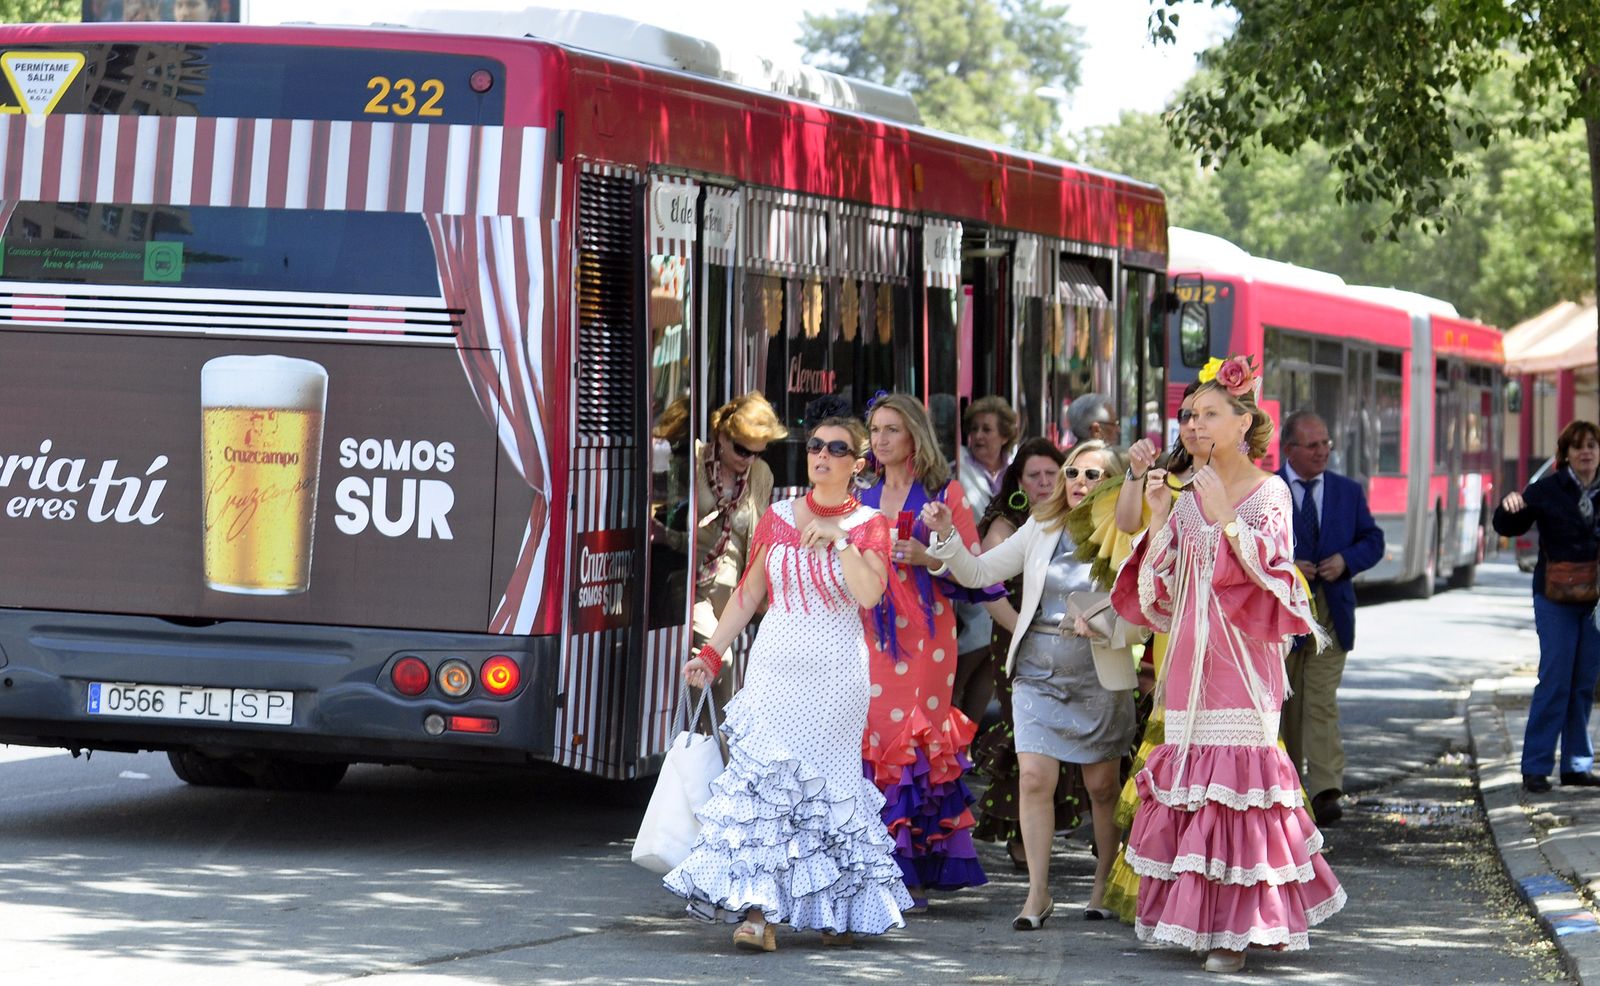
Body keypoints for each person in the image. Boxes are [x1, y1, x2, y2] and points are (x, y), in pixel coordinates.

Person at [1110, 356, 1344, 973]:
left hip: (1244, 662)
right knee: (1196, 788)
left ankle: (1235, 934)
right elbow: (1160, 593)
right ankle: (1201, 921)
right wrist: (1160, 516)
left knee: (1239, 790)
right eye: (1190, 415)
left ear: (1243, 424)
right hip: (1190, 660)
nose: (1194, 424)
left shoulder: (1270, 492)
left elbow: (1278, 579)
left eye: (1209, 414)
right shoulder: (1187, 496)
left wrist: (1228, 521)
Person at [664, 396, 913, 951]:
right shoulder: (777, 516)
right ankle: (759, 915)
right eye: (816, 446)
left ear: (858, 463)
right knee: (766, 789)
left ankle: (835, 906)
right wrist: (711, 654)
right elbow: (749, 592)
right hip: (774, 670)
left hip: (836, 677)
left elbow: (869, 594)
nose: (822, 455)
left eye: (837, 449)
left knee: (828, 789)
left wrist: (841, 540)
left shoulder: (870, 524)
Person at [925, 439, 1136, 929]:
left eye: (1093, 475)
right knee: (1035, 778)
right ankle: (1037, 894)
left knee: (1102, 786)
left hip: (1099, 673)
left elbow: (1144, 603)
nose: (1079, 482)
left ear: (1113, 481)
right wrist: (947, 537)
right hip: (1037, 669)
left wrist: (1108, 625)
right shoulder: (1041, 525)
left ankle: (1102, 883)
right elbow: (980, 573)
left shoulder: (1128, 531)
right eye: (1073, 472)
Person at [859, 392, 996, 907]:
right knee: (871, 736)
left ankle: (911, 864)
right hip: (867, 632)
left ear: (915, 435)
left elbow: (974, 571)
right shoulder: (860, 495)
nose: (880, 440)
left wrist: (929, 556)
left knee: (913, 737)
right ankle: (869, 860)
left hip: (927, 638)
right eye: (875, 430)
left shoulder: (944, 494)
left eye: (891, 429)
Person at [965, 438, 1085, 871]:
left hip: (1074, 641)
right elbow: (987, 585)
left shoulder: (1079, 514)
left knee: (1072, 727)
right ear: (1018, 481)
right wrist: (1024, 629)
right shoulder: (1008, 521)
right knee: (1026, 734)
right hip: (1016, 638)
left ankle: (1065, 822)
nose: (1044, 482)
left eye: (1053, 474)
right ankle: (1021, 836)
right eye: (1034, 475)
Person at [1277, 410, 1385, 824]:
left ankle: (1325, 791)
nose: (1322, 451)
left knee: (1320, 700)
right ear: (1289, 449)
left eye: (1326, 443)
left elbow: (1373, 540)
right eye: (1313, 445)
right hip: (1284, 614)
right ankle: (1287, 789)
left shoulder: (1347, 491)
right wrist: (1287, 567)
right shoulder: (1268, 491)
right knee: (1286, 703)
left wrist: (1346, 560)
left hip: (1331, 610)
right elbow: (1248, 546)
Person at [651, 393, 788, 713]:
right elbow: (670, 516)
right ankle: (717, 737)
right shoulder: (693, 462)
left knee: (712, 668)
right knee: (720, 660)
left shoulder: (761, 474)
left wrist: (763, 591)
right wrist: (667, 536)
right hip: (690, 580)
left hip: (733, 587)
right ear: (723, 435)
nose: (749, 459)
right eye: (742, 449)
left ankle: (698, 734)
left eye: (757, 452)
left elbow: (758, 536)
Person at [1493, 419, 1600, 793]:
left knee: (1584, 681)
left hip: (1595, 600)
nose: (1585, 452)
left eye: (1591, 445)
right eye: (1577, 446)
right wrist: (1509, 507)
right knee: (1555, 678)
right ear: (1566, 454)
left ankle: (1576, 766)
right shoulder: (1548, 489)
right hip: (1555, 595)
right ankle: (1536, 766)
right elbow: (1509, 526)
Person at [952, 395, 1021, 722]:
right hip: (969, 571)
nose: (978, 436)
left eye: (987, 429)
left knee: (992, 661)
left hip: (1010, 573)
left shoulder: (1016, 469)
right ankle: (950, 721)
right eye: (974, 429)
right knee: (979, 637)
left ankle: (968, 734)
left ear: (1005, 435)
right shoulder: (958, 466)